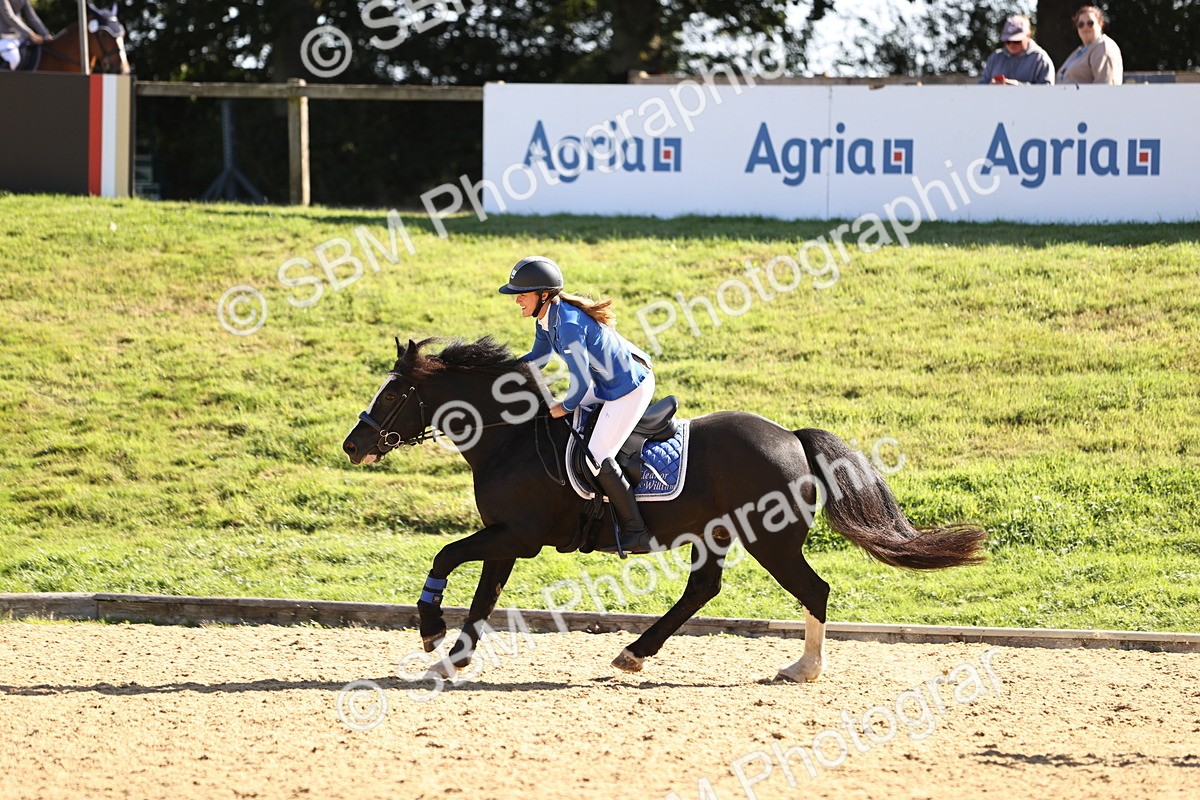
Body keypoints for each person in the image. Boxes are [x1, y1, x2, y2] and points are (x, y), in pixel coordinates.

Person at [500, 256, 657, 556]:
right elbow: (539, 358)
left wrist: (564, 406)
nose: (517, 299)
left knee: (597, 455)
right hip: (604, 380)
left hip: (628, 387)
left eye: (522, 293)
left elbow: (581, 385)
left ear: (543, 295)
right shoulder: (547, 318)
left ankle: (637, 531)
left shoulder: (568, 325)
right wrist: (500, 371)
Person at [979, 15, 1055, 85]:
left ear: (1028, 36)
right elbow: (980, 87)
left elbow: (1047, 91)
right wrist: (990, 86)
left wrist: (1017, 87)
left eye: (1017, 41)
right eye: (1008, 41)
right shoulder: (995, 58)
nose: (1012, 44)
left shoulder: (1040, 59)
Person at [1056, 5, 1123, 84]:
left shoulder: (1103, 47)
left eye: (1090, 23)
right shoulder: (1081, 50)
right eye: (1080, 24)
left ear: (1100, 24)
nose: (1085, 27)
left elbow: (1105, 87)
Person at [0, 0, 50, 72]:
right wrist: (30, 34)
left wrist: (45, 34)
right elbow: (9, 16)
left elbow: (32, 17)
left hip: (20, 36)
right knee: (14, 58)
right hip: (4, 36)